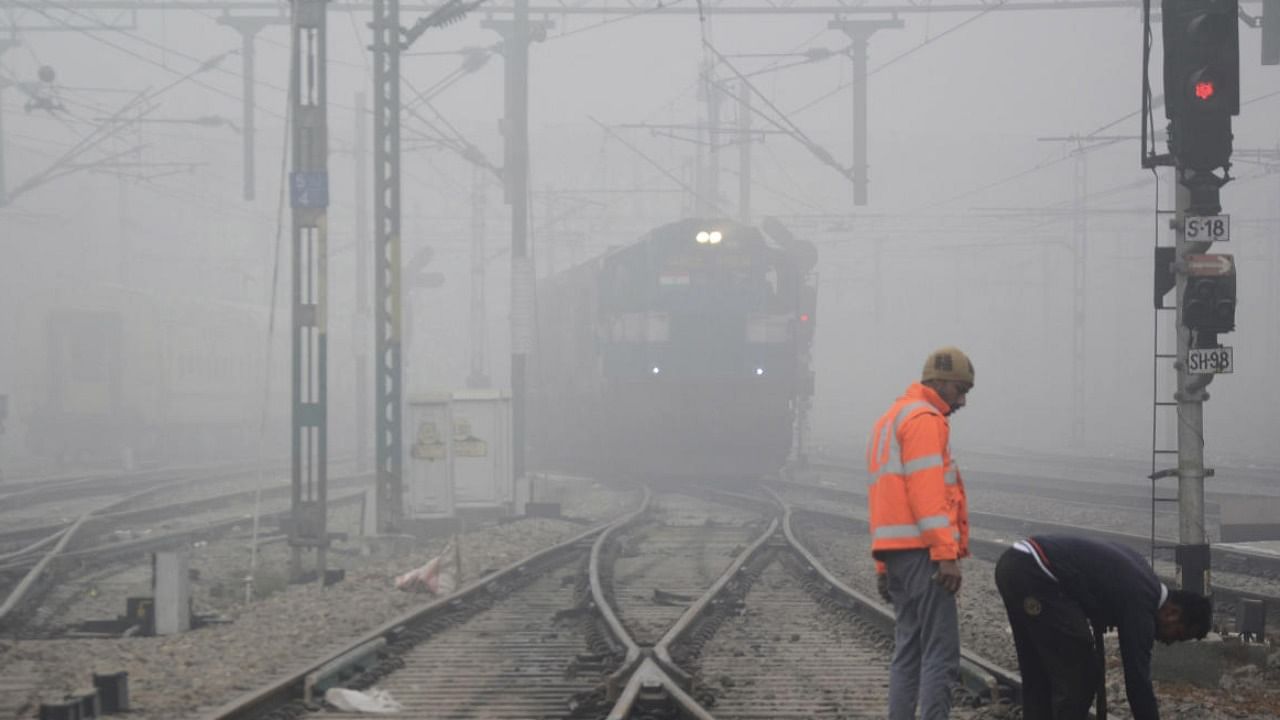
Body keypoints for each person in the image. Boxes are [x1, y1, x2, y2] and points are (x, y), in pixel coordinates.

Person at [994, 534, 1213, 720]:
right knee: (1081, 671)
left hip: (1015, 563)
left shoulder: (1143, 578)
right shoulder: (1142, 604)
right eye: (1177, 635)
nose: (1168, 641)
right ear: (1172, 613)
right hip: (1037, 572)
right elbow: (1138, 682)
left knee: (1039, 671)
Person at [867, 346, 974, 720]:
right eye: (959, 389)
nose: (962, 400)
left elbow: (884, 499)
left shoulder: (890, 420)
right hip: (923, 554)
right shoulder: (925, 420)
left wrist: (883, 567)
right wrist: (945, 555)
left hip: (895, 554)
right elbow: (927, 495)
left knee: (908, 650)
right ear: (939, 382)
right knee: (941, 655)